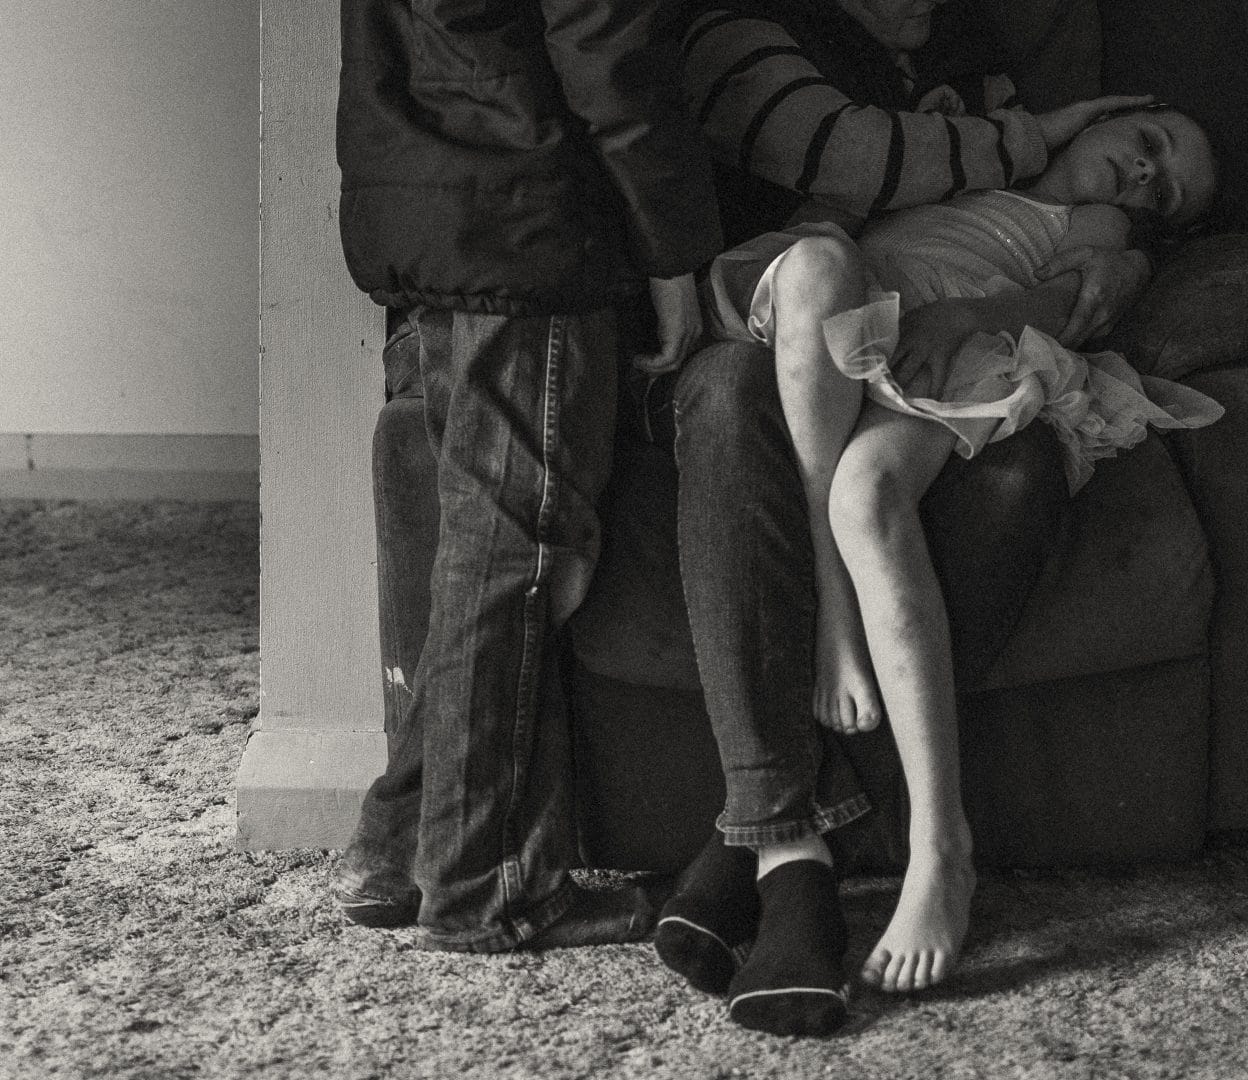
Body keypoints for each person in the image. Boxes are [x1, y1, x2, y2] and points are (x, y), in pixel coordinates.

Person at [650, 0, 1170, 1037]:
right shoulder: (746, 27)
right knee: (729, 398)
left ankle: (760, 830)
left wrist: (1060, 274)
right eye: (1148, 146)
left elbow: (1091, 270)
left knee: (974, 476)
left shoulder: (979, 63)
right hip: (772, 330)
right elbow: (851, 162)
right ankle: (790, 855)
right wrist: (1047, 132)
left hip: (915, 352)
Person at [328, 0, 722, 953]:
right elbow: (610, 55)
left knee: (484, 548)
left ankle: (401, 846)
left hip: (423, 201)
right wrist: (674, 255)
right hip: (523, 213)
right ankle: (486, 887)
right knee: (516, 551)